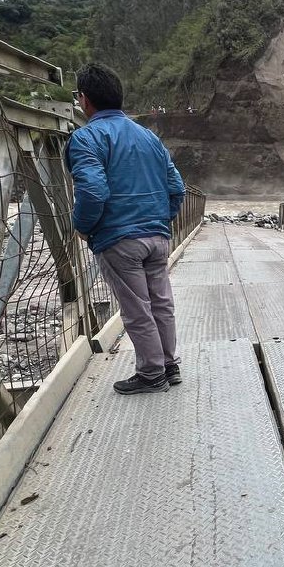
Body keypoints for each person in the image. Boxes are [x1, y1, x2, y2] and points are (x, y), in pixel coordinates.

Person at [67, 63, 186, 395]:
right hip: (157, 237)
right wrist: (161, 221)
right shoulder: (149, 137)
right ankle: (169, 365)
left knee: (136, 309)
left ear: (84, 99)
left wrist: (84, 227)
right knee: (160, 303)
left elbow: (93, 191)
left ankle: (151, 374)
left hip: (119, 239)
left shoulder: (86, 137)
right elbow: (177, 188)